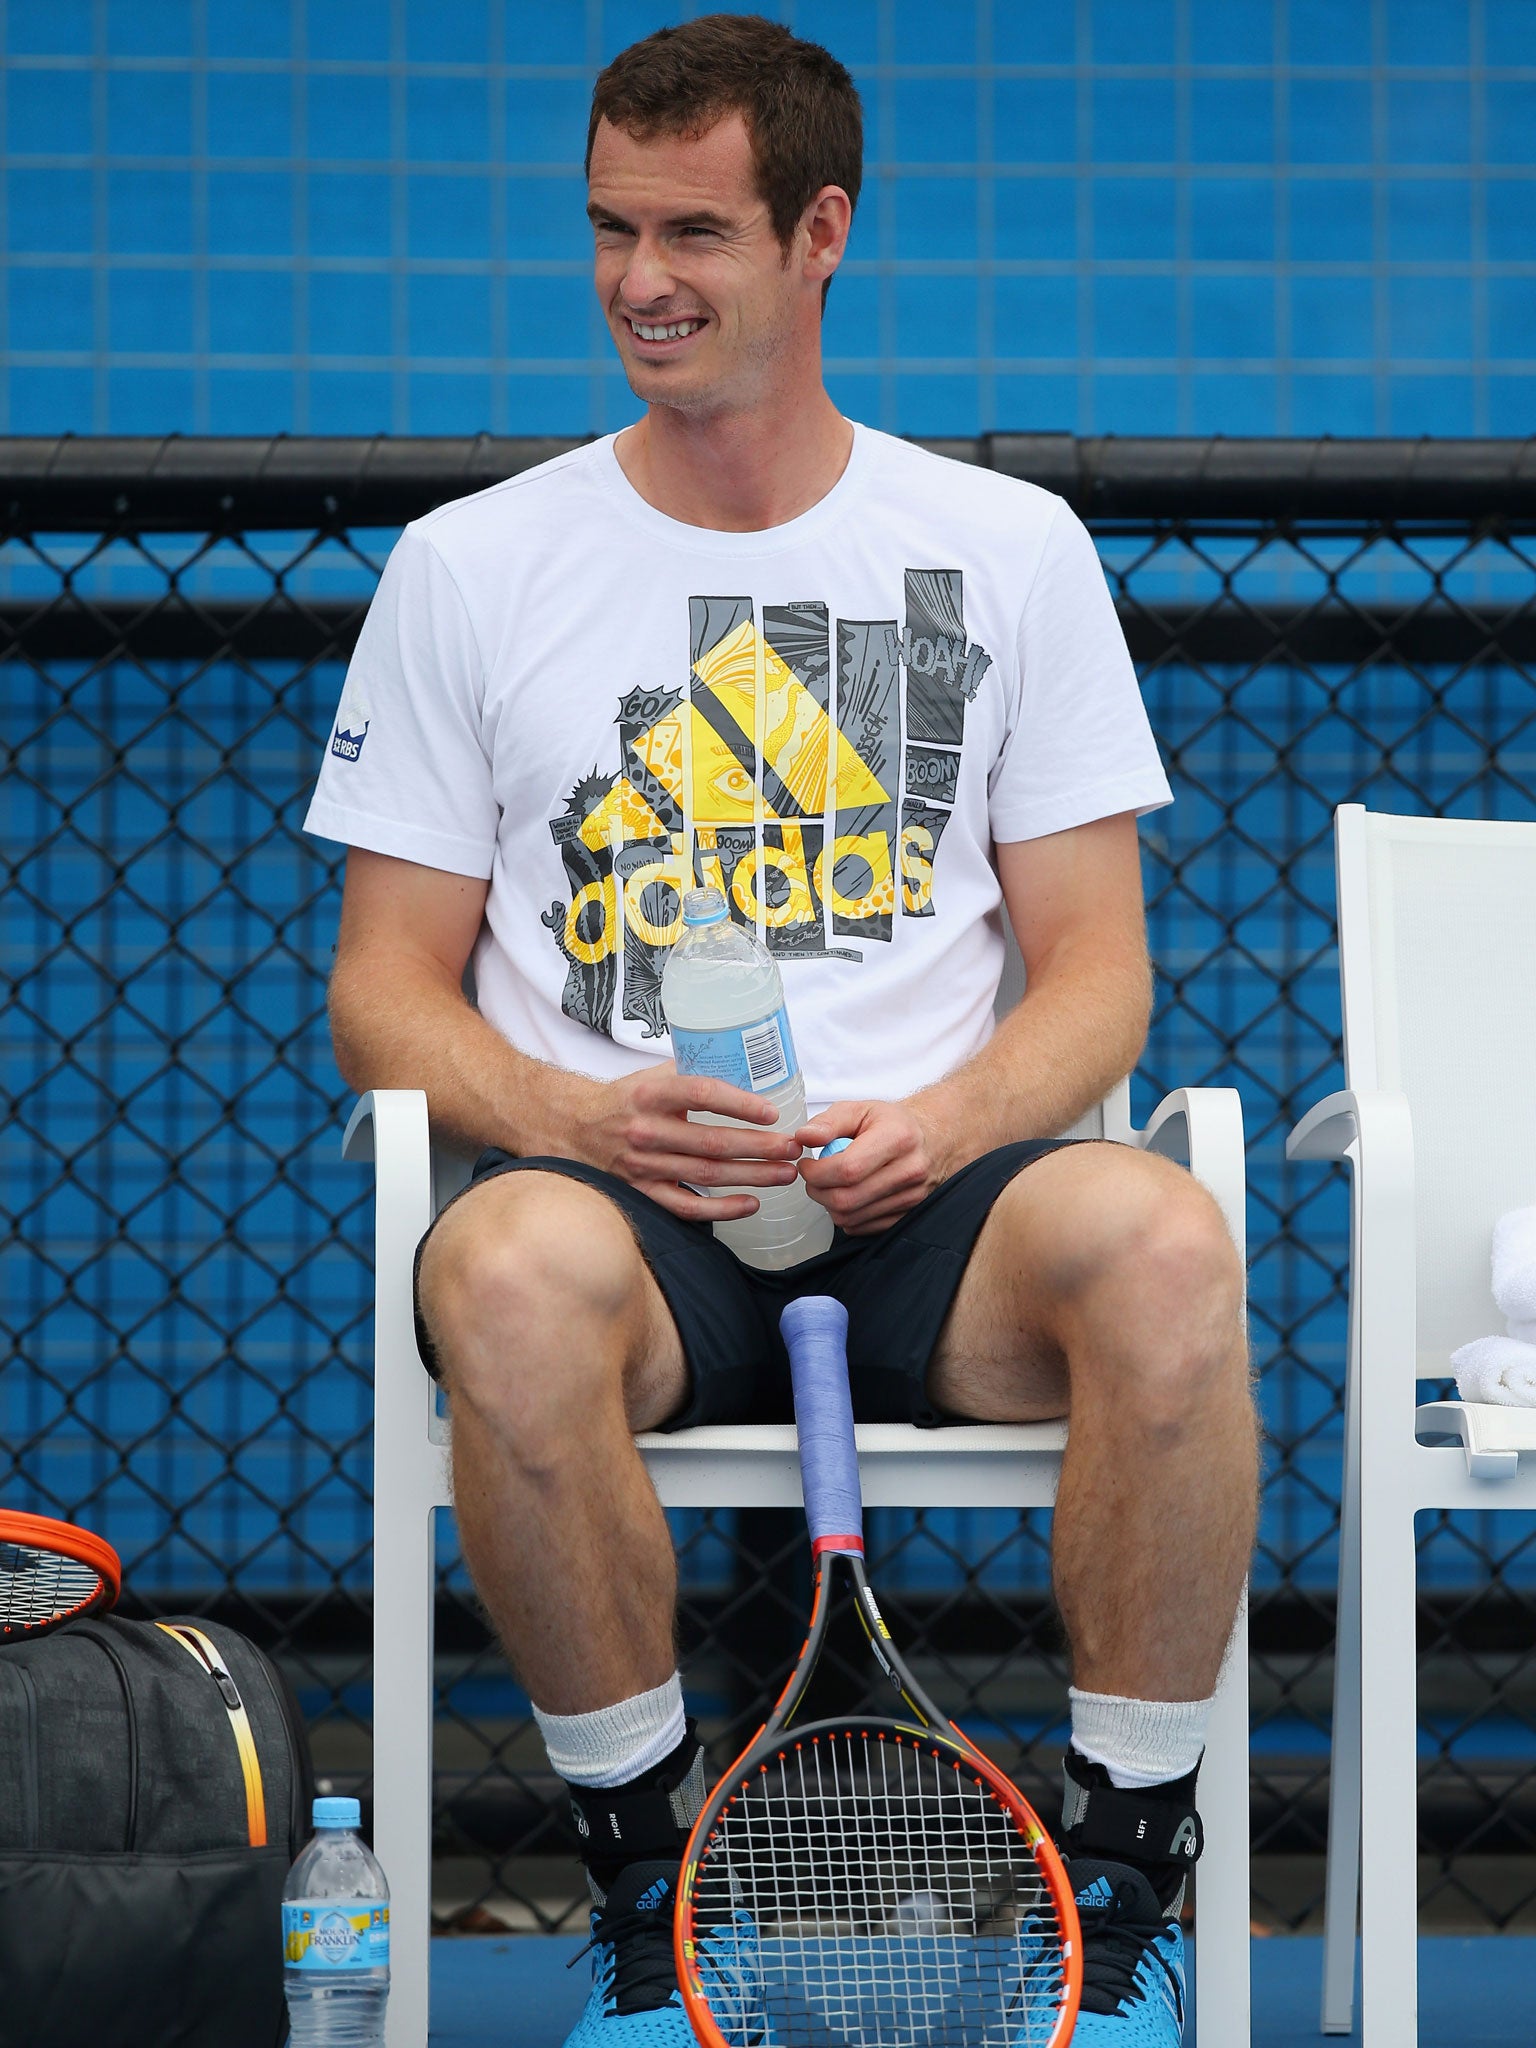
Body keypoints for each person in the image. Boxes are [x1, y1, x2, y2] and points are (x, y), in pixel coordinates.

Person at [305, 15, 1256, 2044]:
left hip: (944, 1209)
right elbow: (381, 992)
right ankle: (654, 1899)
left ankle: (1123, 1899)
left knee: (1172, 1239)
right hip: (630, 1212)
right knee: (501, 1265)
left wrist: (953, 1111)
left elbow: (1100, 968)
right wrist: (573, 1109)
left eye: (695, 231)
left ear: (821, 233)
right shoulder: (472, 569)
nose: (638, 278)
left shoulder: (1007, 554)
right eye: (609, 227)